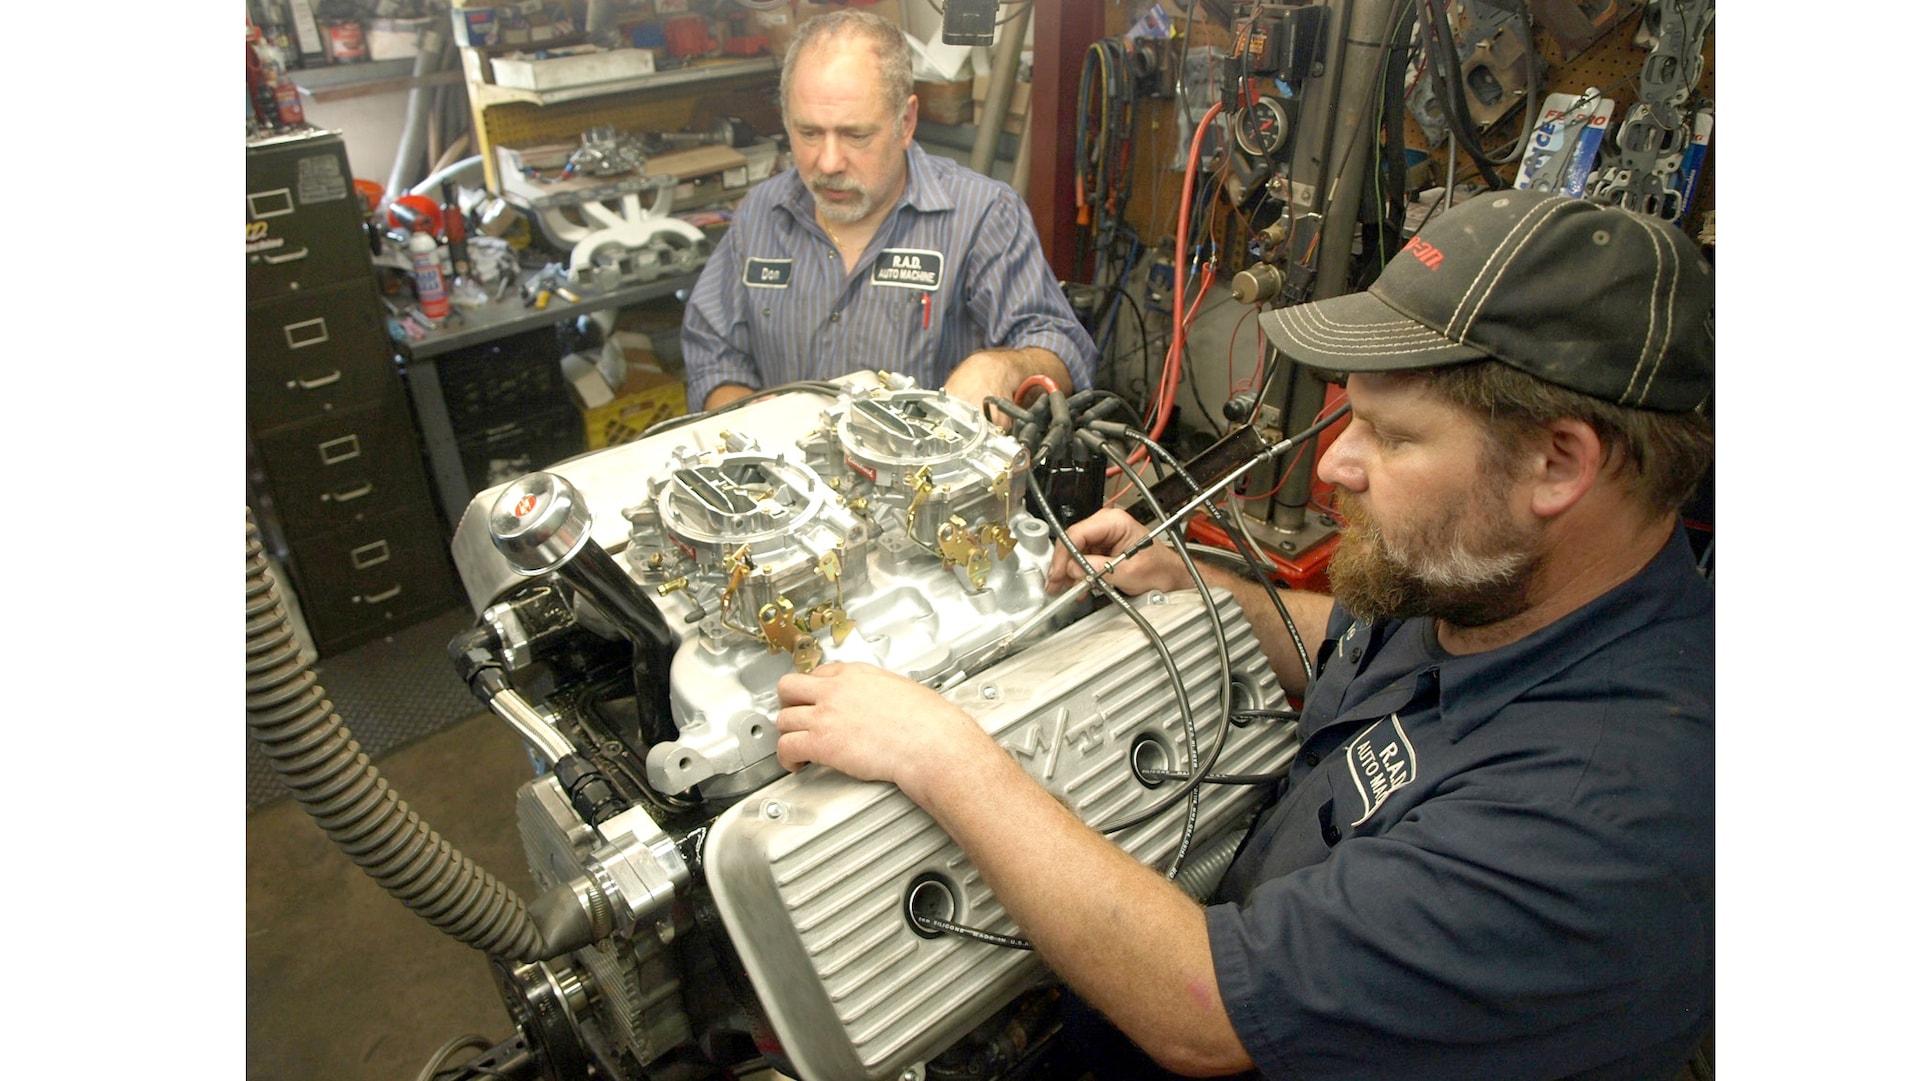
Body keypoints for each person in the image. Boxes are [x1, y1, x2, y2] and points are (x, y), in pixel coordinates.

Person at [772, 189, 1715, 1080]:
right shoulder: (1501, 584)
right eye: (1350, 412)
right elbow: (1357, 635)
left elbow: (1203, 1010)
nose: (1335, 464)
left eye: (1391, 436)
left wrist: (940, 750)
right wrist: (1201, 584)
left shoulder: (1597, 820)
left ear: (1559, 463)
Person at [679, 9, 1096, 415]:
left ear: (907, 121)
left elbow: (1064, 349)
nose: (828, 162)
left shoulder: (982, 216)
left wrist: (1006, 367)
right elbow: (711, 355)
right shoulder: (760, 215)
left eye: (855, 134)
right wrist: (743, 413)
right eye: (808, 133)